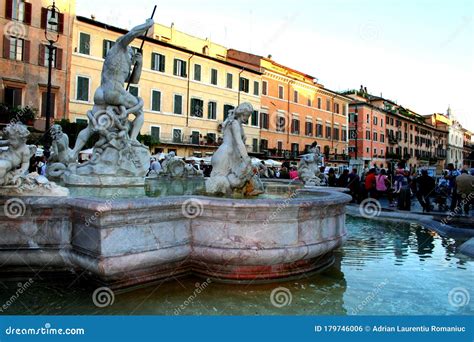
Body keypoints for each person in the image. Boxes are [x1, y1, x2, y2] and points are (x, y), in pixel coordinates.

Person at [69, 18, 154, 160]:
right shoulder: (121, 46)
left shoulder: (115, 62)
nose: (131, 58)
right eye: (131, 56)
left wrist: (139, 64)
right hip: (114, 91)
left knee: (90, 127)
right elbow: (132, 34)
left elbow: (134, 80)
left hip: (101, 92)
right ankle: (132, 140)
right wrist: (147, 25)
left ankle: (74, 152)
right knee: (139, 113)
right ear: (127, 50)